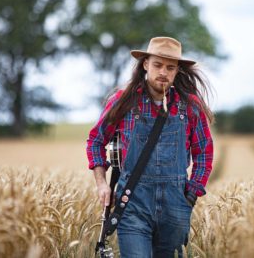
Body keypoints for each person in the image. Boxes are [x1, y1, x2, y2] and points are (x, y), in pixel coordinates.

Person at [87, 36, 214, 257]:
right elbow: (96, 141)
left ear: (177, 71)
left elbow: (204, 153)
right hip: (133, 202)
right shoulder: (123, 100)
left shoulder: (191, 106)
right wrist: (102, 185)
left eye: (170, 67)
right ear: (145, 64)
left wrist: (190, 196)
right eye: (157, 65)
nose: (163, 72)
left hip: (176, 207)